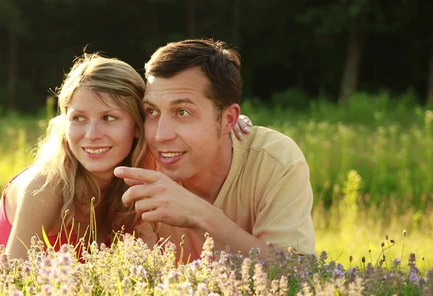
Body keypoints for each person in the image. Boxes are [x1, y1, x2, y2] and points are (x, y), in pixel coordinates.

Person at [115, 39, 315, 263]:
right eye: (152, 111)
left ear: (228, 119)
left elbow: (298, 273)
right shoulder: (137, 163)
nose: (160, 135)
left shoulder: (275, 160)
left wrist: (199, 215)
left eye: (182, 112)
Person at [0, 53, 154, 260]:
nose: (91, 135)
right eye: (79, 118)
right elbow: (10, 282)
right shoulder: (44, 185)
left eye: (108, 118)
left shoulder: (144, 185)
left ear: (137, 126)